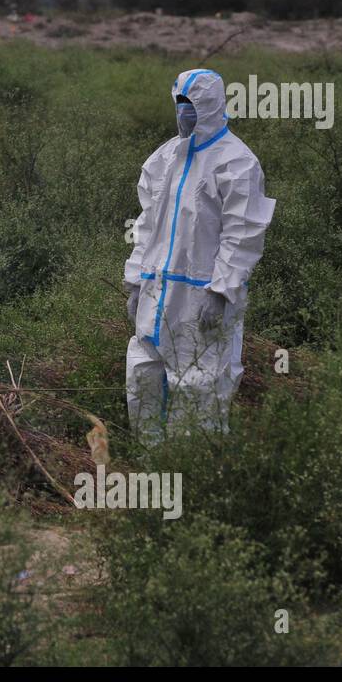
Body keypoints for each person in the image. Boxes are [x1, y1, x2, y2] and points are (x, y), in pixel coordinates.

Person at [123, 68, 275, 441]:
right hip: (157, 287)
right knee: (144, 370)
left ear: (211, 106)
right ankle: (150, 455)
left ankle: (193, 464)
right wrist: (135, 280)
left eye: (192, 106)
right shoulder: (164, 159)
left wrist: (221, 291)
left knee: (201, 378)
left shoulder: (236, 163)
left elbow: (243, 234)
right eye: (179, 105)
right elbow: (146, 226)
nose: (183, 114)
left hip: (202, 293)